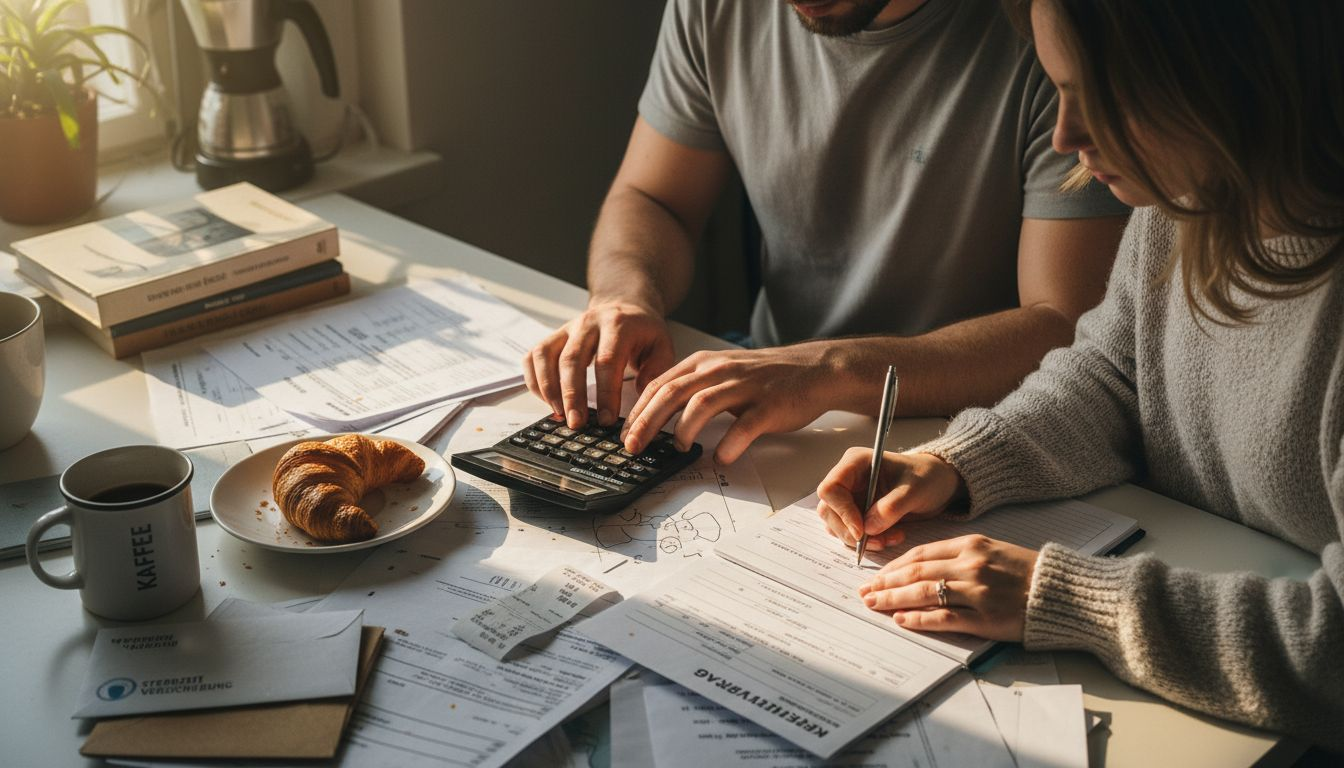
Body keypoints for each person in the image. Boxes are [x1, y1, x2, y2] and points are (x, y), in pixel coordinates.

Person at [816, 0, 1344, 749]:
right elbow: (1110, 377)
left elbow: (1332, 651)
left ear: (1231, 78)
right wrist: (954, 465)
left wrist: (1065, 599)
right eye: (1060, 89)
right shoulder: (1183, 199)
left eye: (1104, 97)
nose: (1066, 136)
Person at [522, 0, 1130, 464]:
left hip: (965, 428)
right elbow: (656, 199)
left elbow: (1067, 327)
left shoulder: (1045, 31)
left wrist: (831, 370)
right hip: (761, 383)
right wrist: (625, 296)